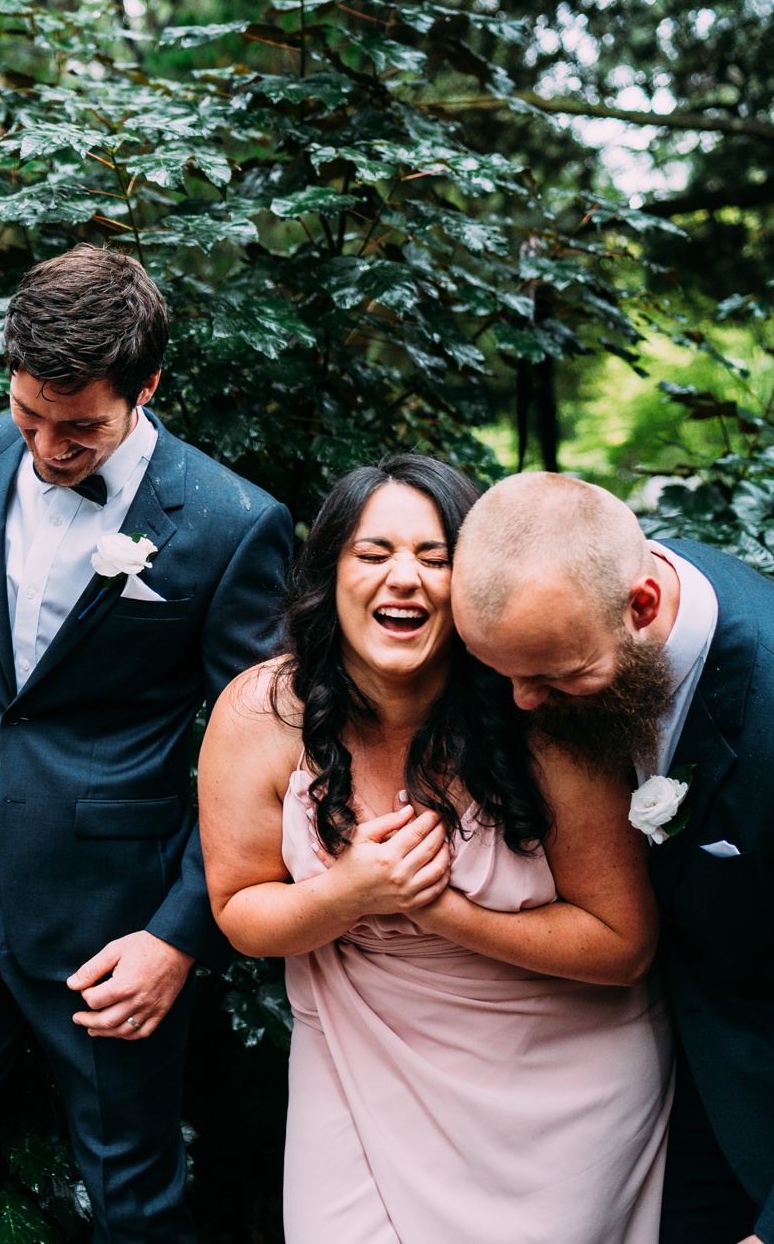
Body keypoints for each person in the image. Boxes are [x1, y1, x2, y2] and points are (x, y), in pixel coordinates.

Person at [0, 246, 292, 1243]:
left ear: (145, 384)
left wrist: (177, 936)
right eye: (28, 417)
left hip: (115, 912)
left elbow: (258, 760)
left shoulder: (232, 523)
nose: (48, 447)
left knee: (135, 1199)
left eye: (80, 426)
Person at [198, 457, 670, 1244]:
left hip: (559, 1091)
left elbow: (624, 946)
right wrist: (348, 894)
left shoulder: (541, 713)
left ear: (473, 584)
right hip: (356, 1061)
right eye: (374, 554)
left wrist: (439, 910)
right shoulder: (259, 714)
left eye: (435, 558)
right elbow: (238, 913)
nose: (404, 580)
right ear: (331, 574)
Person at [453, 472, 774, 1244]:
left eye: (556, 677)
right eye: (506, 675)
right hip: (635, 1070)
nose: (524, 702)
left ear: (644, 606)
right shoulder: (585, 586)